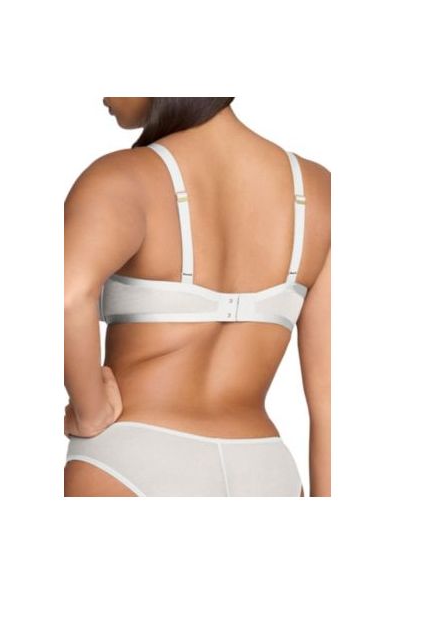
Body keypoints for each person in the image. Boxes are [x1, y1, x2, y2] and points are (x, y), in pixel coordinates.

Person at [64, 97, 331, 497]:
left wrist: (90, 411)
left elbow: (67, 297)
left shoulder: (122, 178)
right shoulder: (319, 191)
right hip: (264, 468)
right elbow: (330, 399)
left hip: (132, 459)